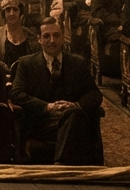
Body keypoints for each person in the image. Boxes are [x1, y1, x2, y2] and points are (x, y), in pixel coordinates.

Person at [10, 17, 103, 165]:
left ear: (62, 38)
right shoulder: (26, 63)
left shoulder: (77, 63)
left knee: (74, 115)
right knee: (78, 127)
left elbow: (95, 94)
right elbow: (16, 94)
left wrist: (76, 105)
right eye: (46, 36)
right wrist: (46, 107)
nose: (52, 40)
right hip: (42, 123)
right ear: (39, 39)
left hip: (73, 118)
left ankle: (59, 163)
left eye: (56, 35)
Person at [0, 0, 39, 66]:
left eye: (15, 10)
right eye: (8, 10)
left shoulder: (31, 36)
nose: (11, 13)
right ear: (3, 14)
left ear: (20, 12)